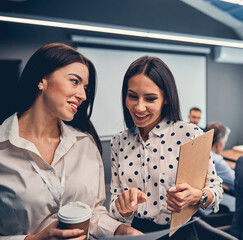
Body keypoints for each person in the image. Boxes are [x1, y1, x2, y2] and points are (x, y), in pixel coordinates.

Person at [0, 43, 141, 240]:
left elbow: (95, 213)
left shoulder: (86, 145)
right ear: (42, 80)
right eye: (74, 82)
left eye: (85, 88)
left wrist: (118, 230)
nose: (83, 96)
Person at [109, 56, 223, 239]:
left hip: (180, 233)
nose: (139, 107)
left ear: (166, 99)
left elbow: (216, 191)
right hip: (135, 232)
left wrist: (197, 196)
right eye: (132, 96)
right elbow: (113, 206)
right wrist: (121, 208)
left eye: (150, 98)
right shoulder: (119, 141)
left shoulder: (189, 134)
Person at [205, 122, 235, 193]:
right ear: (218, 144)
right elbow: (234, 181)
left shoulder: (202, 153)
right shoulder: (216, 160)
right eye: (225, 142)